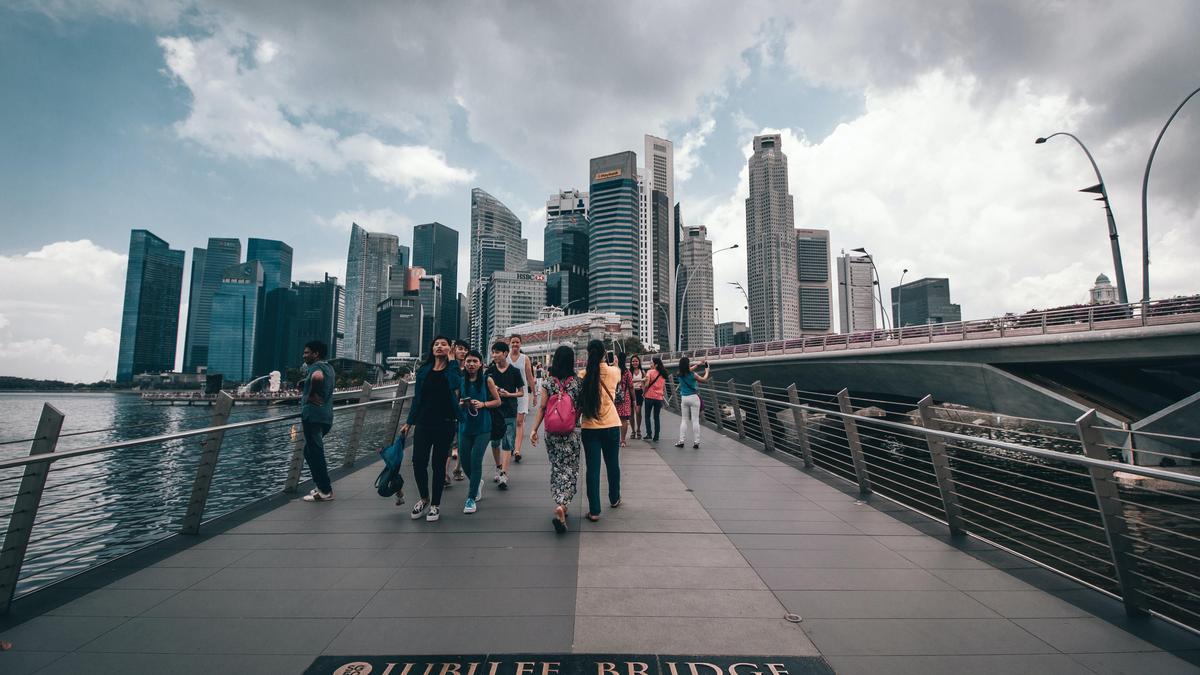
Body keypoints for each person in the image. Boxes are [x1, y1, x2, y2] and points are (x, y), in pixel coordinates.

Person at [400, 336, 461, 522]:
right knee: (418, 462)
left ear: (449, 349)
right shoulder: (424, 370)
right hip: (424, 422)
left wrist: (451, 361)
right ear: (432, 348)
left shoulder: (453, 369)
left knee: (438, 464)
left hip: (446, 422)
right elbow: (418, 399)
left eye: (443, 344)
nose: (439, 347)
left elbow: (455, 385)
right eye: (436, 344)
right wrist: (409, 422)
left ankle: (435, 504)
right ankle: (424, 498)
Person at [529, 345, 582, 533]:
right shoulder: (577, 382)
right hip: (571, 433)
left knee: (557, 467)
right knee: (571, 468)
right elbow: (580, 408)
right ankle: (563, 504)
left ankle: (559, 500)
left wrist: (534, 429)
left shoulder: (548, 383)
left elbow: (542, 408)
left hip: (551, 432)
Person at [578, 339, 621, 521]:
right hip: (612, 424)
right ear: (605, 353)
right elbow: (616, 378)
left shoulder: (582, 374)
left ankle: (594, 511)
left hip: (590, 426)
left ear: (588, 353)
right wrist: (614, 364)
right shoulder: (614, 372)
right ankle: (614, 498)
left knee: (593, 469)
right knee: (612, 464)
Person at [458, 349, 500, 514]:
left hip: (483, 427)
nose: (471, 364)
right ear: (464, 363)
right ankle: (477, 483)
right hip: (464, 426)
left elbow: (497, 401)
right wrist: (461, 404)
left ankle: (471, 497)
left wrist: (483, 404)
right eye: (468, 361)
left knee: (476, 461)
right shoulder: (460, 381)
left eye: (475, 361)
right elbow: (455, 403)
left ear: (480, 364)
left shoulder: (486, 380)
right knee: (466, 462)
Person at [300, 340, 336, 502]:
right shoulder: (329, 367)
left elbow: (317, 377)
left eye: (307, 352)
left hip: (313, 416)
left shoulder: (316, 368)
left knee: (315, 452)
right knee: (309, 451)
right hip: (325, 417)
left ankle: (325, 490)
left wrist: (313, 394)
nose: (304, 355)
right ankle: (320, 485)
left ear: (316, 354)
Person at [486, 341, 525, 490]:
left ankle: (504, 473)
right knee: (495, 442)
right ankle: (498, 465)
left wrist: (509, 394)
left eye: (497, 352)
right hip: (494, 411)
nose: (494, 355)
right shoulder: (489, 371)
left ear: (505, 353)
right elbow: (483, 387)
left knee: (508, 442)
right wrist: (493, 389)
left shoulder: (514, 371)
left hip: (509, 410)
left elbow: (521, 392)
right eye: (493, 352)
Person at [508, 334, 535, 464]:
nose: (515, 344)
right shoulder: (505, 357)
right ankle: (511, 444)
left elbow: (529, 377)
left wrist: (534, 393)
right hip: (508, 394)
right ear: (509, 343)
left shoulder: (525, 358)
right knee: (511, 421)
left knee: (519, 421)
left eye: (517, 342)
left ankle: (517, 450)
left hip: (522, 393)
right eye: (513, 342)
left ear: (520, 344)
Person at [674, 356, 710, 449]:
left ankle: (681, 441)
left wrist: (698, 364)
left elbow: (687, 369)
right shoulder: (693, 375)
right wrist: (707, 371)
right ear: (688, 365)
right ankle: (696, 442)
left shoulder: (679, 374)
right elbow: (704, 379)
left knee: (684, 420)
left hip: (684, 398)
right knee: (695, 420)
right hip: (694, 398)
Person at [449, 339, 471, 483]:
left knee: (463, 440)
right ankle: (444, 474)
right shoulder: (448, 367)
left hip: (464, 408)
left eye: (465, 349)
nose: (462, 352)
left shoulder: (469, 368)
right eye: (460, 348)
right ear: (454, 350)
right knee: (448, 441)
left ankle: (457, 469)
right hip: (449, 407)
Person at [643, 357, 666, 441]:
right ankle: (656, 436)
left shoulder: (649, 372)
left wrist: (644, 392)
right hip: (659, 398)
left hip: (649, 397)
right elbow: (663, 387)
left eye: (651, 363)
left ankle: (649, 434)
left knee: (647, 416)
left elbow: (646, 384)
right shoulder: (663, 373)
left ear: (655, 364)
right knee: (656, 417)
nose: (650, 364)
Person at [615, 352, 634, 447]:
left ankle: (616, 439)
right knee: (623, 420)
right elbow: (631, 386)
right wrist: (634, 400)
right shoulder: (627, 372)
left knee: (615, 419)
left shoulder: (614, 370)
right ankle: (623, 440)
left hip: (614, 396)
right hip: (624, 396)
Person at [630, 355, 644, 440]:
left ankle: (638, 429)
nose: (635, 363)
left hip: (639, 393)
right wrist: (640, 380)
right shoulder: (629, 372)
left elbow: (646, 380)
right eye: (633, 361)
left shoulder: (642, 371)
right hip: (631, 392)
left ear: (639, 362)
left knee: (638, 412)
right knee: (631, 413)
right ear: (631, 363)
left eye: (636, 361)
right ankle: (633, 431)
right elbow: (629, 382)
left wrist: (644, 388)